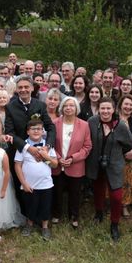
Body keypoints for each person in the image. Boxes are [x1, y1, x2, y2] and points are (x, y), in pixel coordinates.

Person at [86, 97, 132, 241]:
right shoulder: (92, 122)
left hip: (114, 165)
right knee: (98, 190)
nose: (105, 111)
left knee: (116, 196)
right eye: (103, 108)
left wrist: (121, 153)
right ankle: (99, 213)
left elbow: (129, 143)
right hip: (96, 163)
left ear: (114, 109)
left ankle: (114, 224)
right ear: (98, 109)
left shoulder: (120, 125)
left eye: (108, 108)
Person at [5, 77, 56, 206]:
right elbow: (10, 132)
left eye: (26, 87)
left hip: (41, 150)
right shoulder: (10, 107)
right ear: (16, 89)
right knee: (19, 181)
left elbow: (51, 127)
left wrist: (47, 147)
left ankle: (41, 212)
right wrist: (28, 148)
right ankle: (24, 213)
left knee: (40, 180)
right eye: (20, 87)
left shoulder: (40, 105)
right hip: (19, 150)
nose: (23, 90)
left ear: (32, 88)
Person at [15, 119, 59, 240]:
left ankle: (45, 227)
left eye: (39, 129)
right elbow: (17, 165)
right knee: (30, 205)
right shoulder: (22, 146)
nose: (36, 131)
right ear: (28, 131)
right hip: (29, 184)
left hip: (46, 184)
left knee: (45, 206)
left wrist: (46, 156)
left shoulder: (47, 145)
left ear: (43, 131)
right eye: (33, 129)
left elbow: (55, 164)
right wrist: (23, 183)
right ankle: (29, 224)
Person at [52, 97, 92, 229]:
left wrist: (73, 158)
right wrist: (58, 158)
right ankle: (56, 214)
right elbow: (49, 144)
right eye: (66, 106)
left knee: (75, 193)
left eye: (72, 106)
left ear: (76, 109)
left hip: (75, 165)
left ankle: (74, 216)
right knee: (57, 192)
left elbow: (87, 147)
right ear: (62, 108)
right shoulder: (54, 123)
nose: (69, 108)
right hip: (57, 164)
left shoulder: (84, 125)